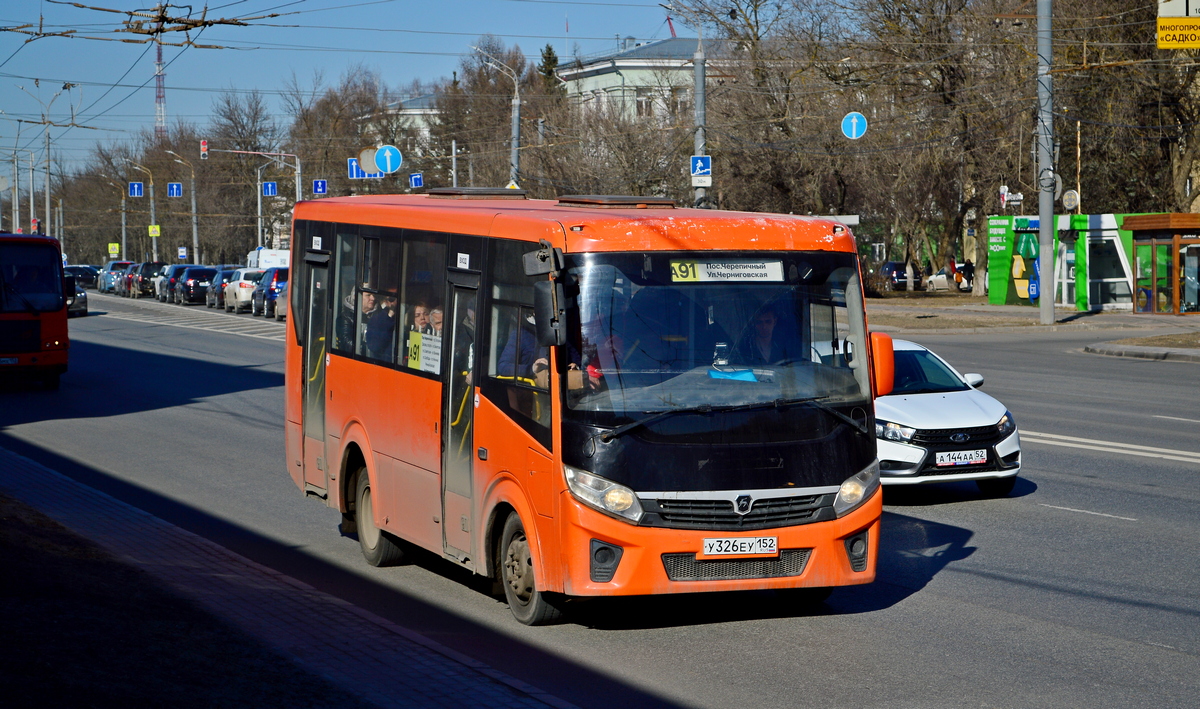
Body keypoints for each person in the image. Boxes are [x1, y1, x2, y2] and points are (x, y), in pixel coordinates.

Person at [336, 286, 376, 351]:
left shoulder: (380, 315)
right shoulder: (346, 317)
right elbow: (346, 342)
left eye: (374, 295)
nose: (373, 298)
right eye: (368, 295)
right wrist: (368, 348)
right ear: (356, 296)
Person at [365, 291, 399, 360]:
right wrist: (389, 317)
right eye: (390, 299)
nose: (391, 302)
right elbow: (375, 346)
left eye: (393, 299)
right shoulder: (376, 319)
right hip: (382, 362)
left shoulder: (405, 317)